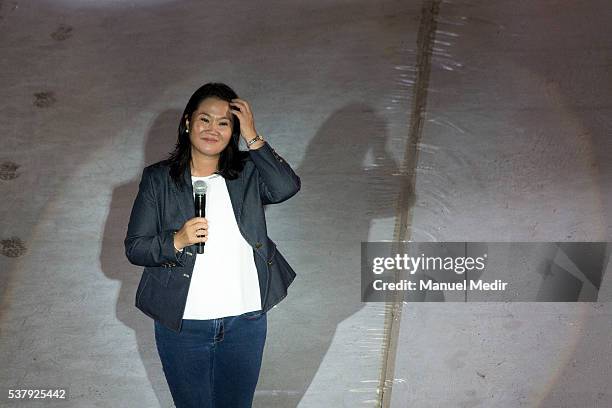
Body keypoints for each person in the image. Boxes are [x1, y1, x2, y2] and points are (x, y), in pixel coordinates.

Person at [124, 82, 300, 407]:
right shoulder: (159, 179)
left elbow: (285, 187)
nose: (212, 129)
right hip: (184, 325)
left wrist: (253, 135)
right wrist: (175, 240)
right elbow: (136, 247)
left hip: (245, 321)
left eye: (224, 123)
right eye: (205, 119)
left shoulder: (247, 172)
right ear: (188, 122)